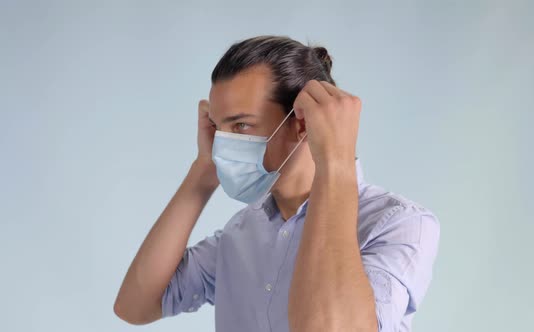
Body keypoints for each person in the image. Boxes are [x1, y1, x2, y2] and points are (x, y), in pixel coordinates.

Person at [114, 35, 440, 332]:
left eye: (241, 125)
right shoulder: (239, 234)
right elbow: (135, 306)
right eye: (218, 127)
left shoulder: (398, 224)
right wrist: (203, 170)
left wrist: (336, 162)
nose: (224, 142)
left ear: (301, 123)